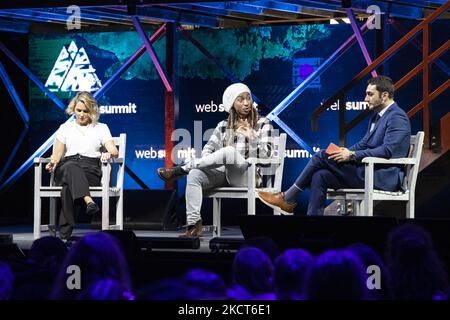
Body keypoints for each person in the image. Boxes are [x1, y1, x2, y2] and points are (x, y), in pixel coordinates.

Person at [258, 75, 411, 215]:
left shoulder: (397, 116)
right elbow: (365, 143)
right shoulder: (377, 116)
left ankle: (288, 197)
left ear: (384, 95)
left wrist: (352, 155)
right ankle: (313, 226)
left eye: (370, 94)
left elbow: (388, 150)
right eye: (366, 94)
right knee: (320, 175)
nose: (365, 99)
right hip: (367, 171)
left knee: (321, 155)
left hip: (381, 177)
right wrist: (346, 151)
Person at [157, 83, 274, 237]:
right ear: (232, 104)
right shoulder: (223, 126)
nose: (246, 103)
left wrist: (252, 138)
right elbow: (208, 149)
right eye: (240, 99)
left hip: (249, 176)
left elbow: (269, 155)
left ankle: (183, 168)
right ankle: (194, 225)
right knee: (195, 175)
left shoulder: (263, 124)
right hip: (224, 175)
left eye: (248, 98)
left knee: (229, 152)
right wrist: (208, 161)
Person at [46, 92, 119, 240]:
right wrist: (52, 162)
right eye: (78, 110)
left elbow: (114, 150)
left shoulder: (101, 128)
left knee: (67, 189)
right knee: (71, 166)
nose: (81, 114)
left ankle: (63, 237)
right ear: (73, 109)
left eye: (85, 111)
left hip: (90, 169)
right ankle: (88, 201)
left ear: (92, 111)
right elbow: (57, 154)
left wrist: (108, 154)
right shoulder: (65, 128)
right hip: (66, 167)